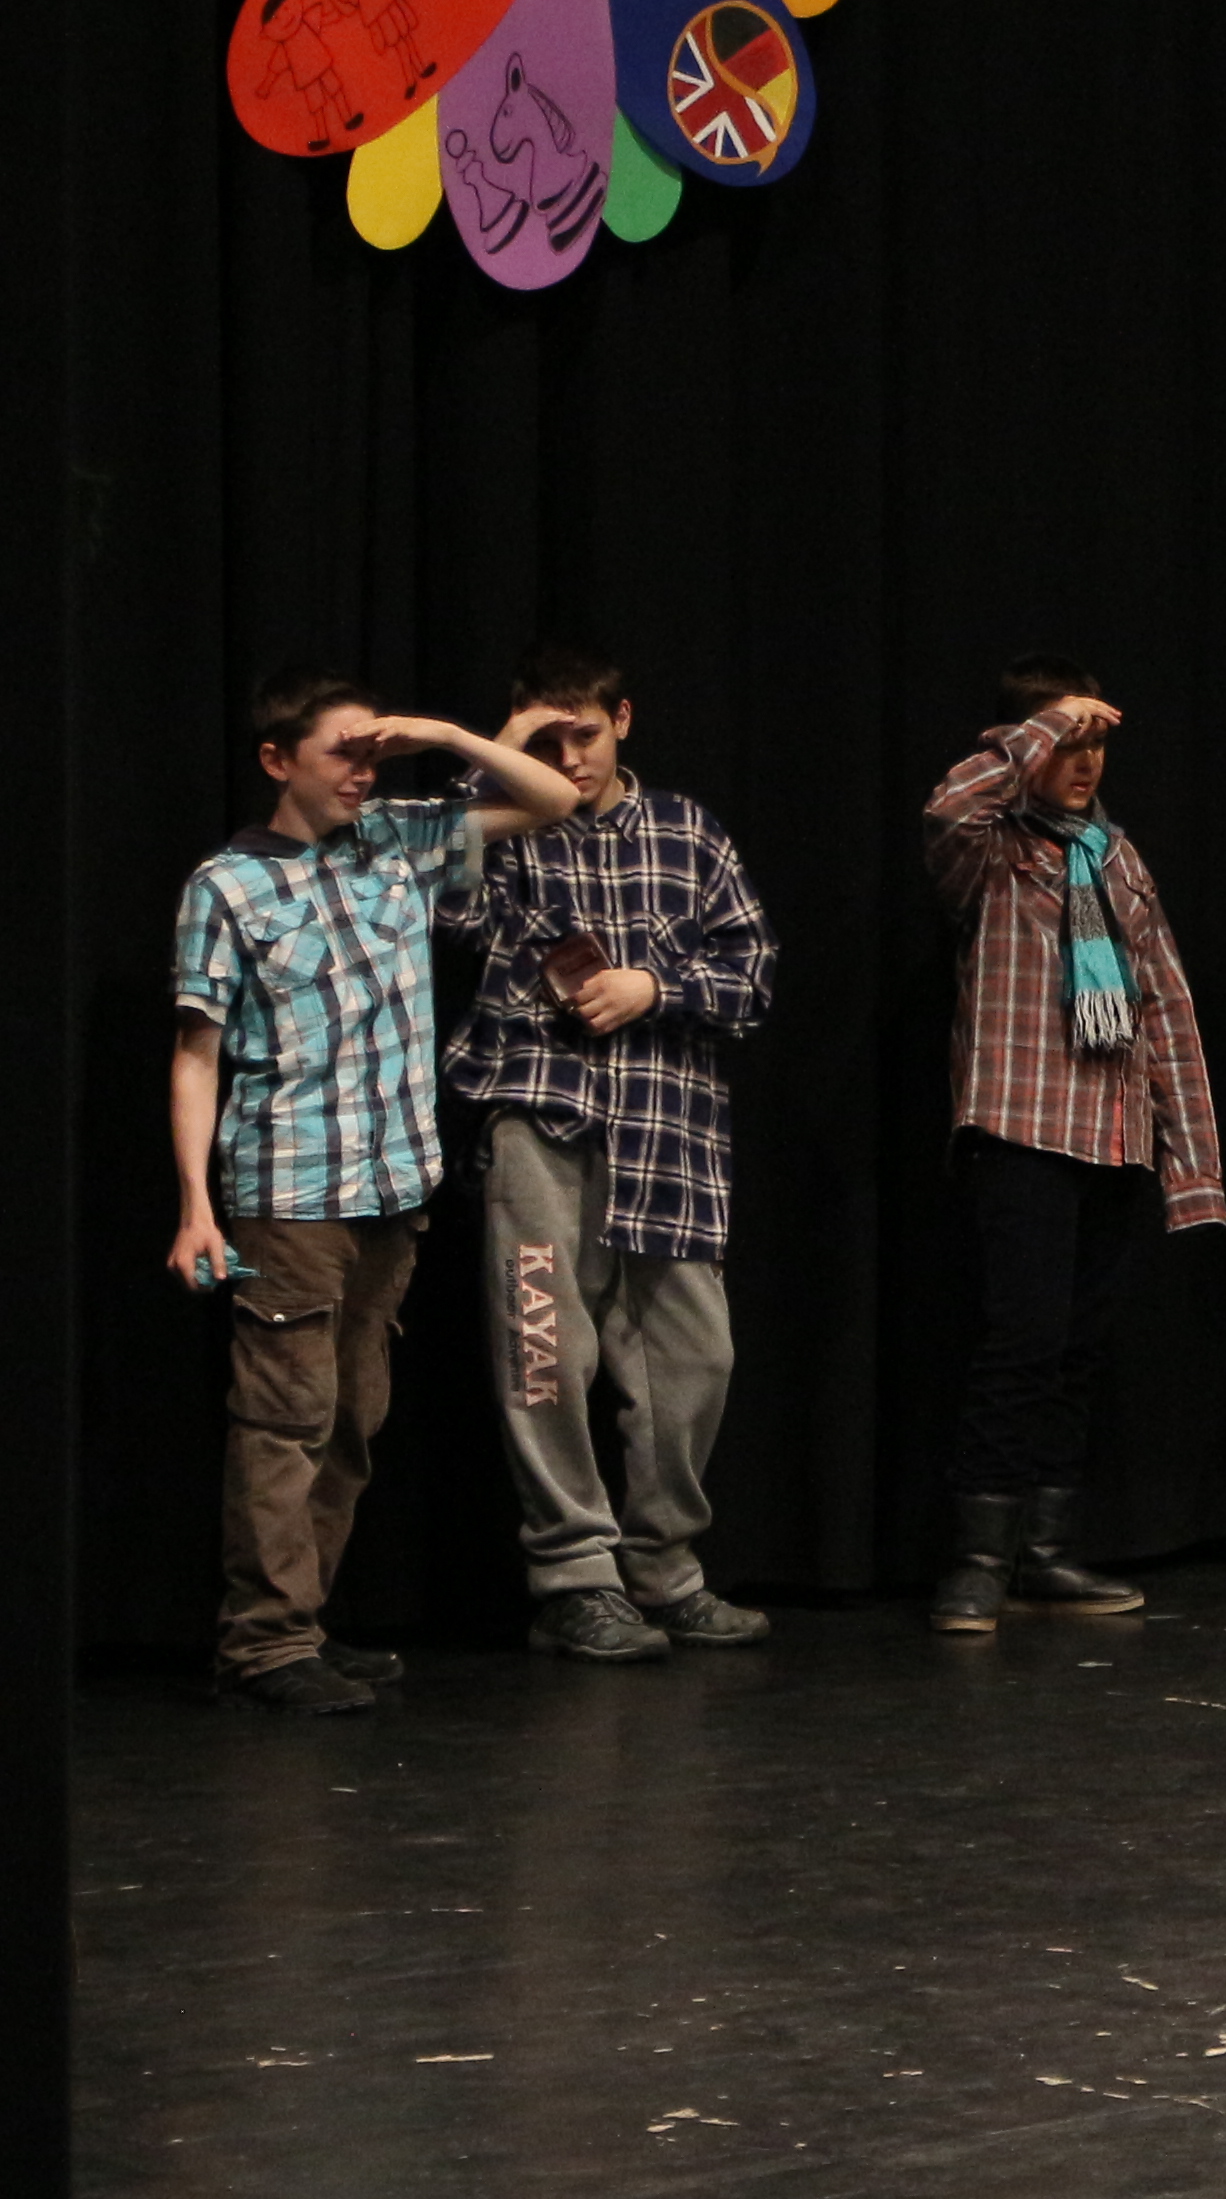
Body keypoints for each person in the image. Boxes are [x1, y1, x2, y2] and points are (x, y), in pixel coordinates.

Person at [166, 680, 580, 1712]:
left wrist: (440, 734)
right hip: (291, 1191)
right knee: (286, 1420)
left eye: (372, 756)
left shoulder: (398, 839)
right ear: (277, 760)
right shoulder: (227, 886)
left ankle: (302, 1624)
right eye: (341, 755)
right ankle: (263, 1644)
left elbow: (553, 800)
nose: (362, 774)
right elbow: (196, 1056)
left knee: (352, 1418)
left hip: (393, 1187)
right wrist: (195, 1206)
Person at [437, 643, 779, 1663]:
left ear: (621, 720)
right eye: (543, 740)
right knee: (545, 1352)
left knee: (695, 1358)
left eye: (581, 734)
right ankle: (574, 1579)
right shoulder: (504, 828)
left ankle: (664, 1570)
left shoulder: (686, 831)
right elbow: (445, 907)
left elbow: (753, 974)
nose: (567, 759)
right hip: (542, 1116)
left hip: (669, 1129)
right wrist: (494, 760)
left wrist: (653, 988)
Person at [924, 663, 1226, 1630]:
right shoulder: (991, 847)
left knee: (1077, 1352)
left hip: (1112, 1134)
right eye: (1068, 744)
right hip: (1021, 1124)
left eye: (1097, 745)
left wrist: (1191, 1166)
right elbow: (949, 804)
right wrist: (1047, 724)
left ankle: (1044, 1551)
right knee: (1021, 1344)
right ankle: (978, 1558)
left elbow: (1165, 1006)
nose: (1085, 761)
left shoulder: (1116, 855)